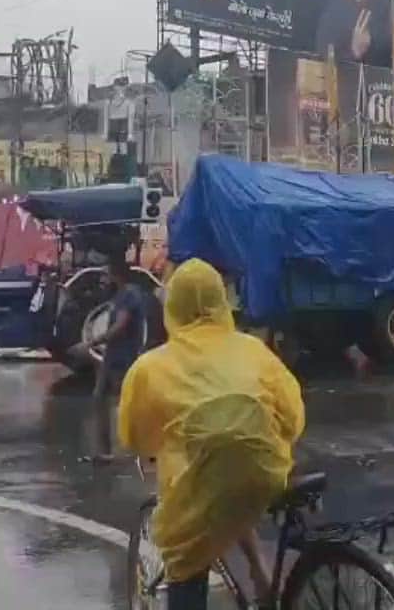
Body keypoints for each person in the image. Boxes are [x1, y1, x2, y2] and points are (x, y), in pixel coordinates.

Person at [118, 259, 305, 610]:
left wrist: (153, 445)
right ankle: (261, 575)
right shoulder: (253, 350)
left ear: (173, 306)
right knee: (233, 484)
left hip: (205, 480)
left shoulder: (151, 367)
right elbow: (293, 417)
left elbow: (134, 435)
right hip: (265, 469)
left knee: (187, 552)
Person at [72, 256, 149, 464]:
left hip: (123, 358)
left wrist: (90, 343)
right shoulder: (120, 296)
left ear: (117, 275)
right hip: (112, 356)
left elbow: (119, 327)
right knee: (100, 398)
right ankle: (105, 451)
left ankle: (143, 447)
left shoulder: (129, 295)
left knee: (127, 402)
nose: (104, 279)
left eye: (107, 275)